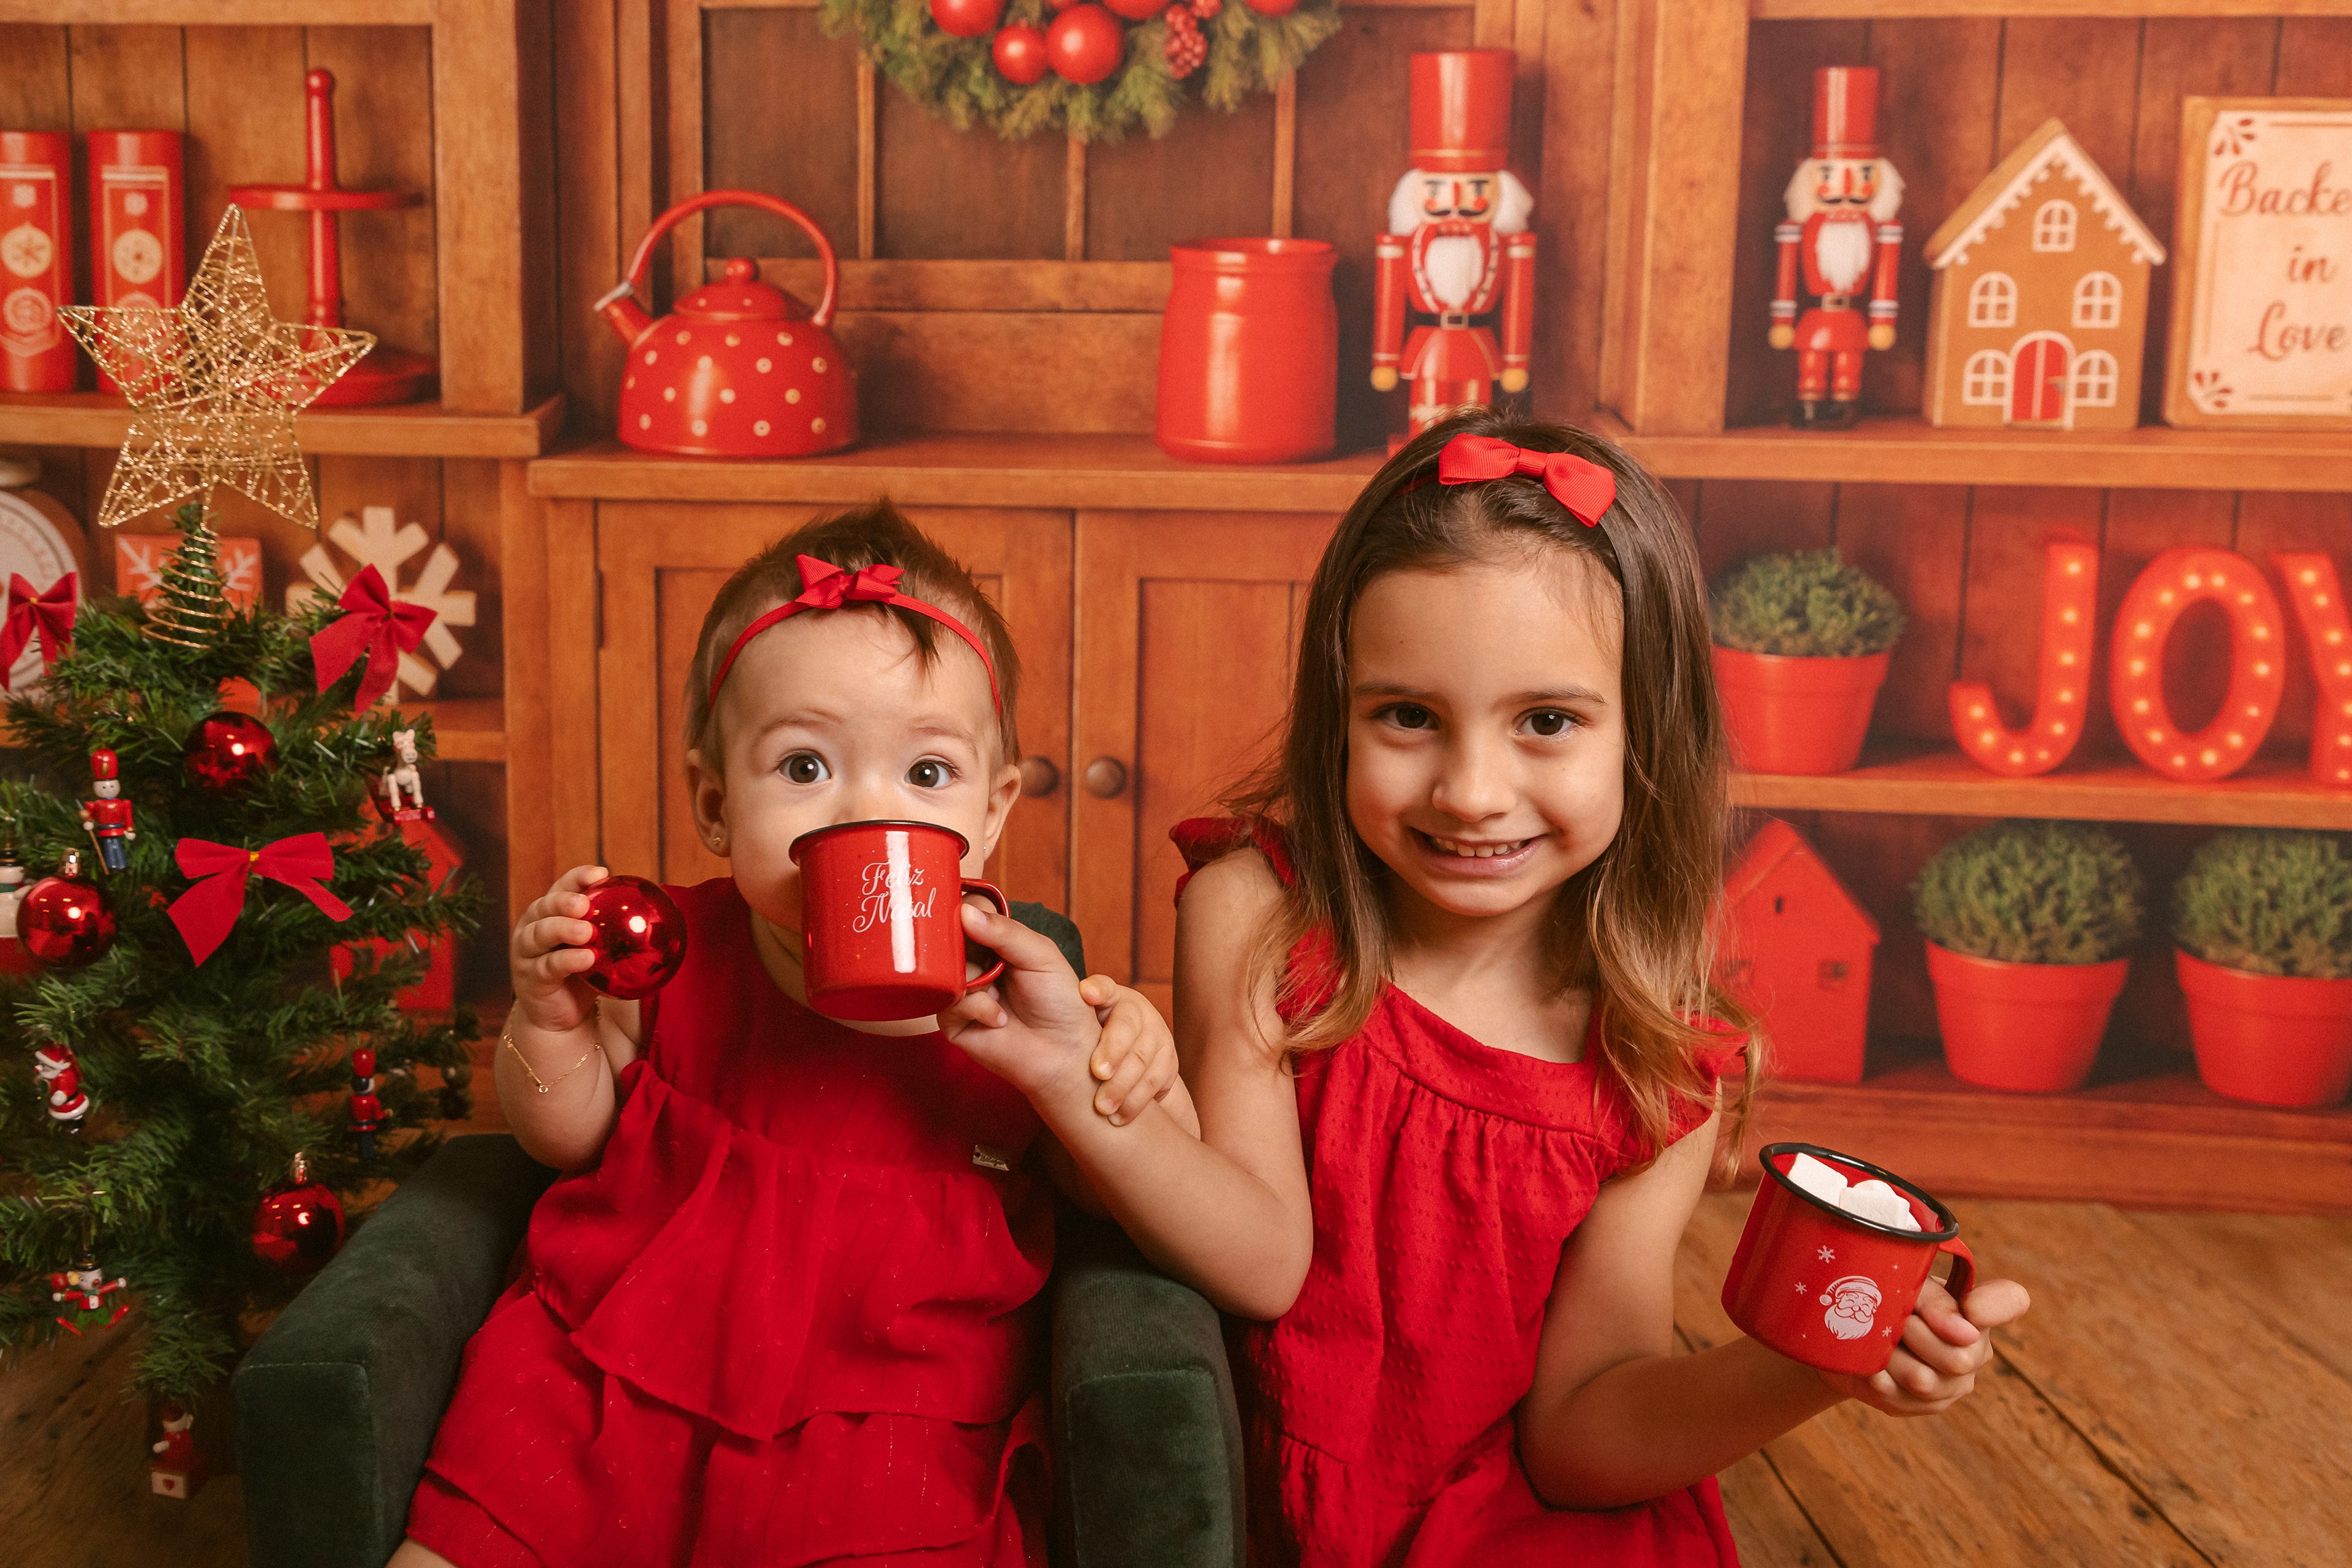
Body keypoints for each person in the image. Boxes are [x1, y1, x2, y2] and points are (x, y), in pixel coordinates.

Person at [966, 409, 2032, 1565]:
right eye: (1410, 717)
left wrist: (1810, 1368)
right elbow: (1264, 1261)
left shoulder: (1656, 1062)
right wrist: (1070, 1078)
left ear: (1645, 739)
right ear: (1340, 716)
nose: (1472, 791)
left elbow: (1581, 1435)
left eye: (1546, 722)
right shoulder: (1261, 914)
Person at [393, 504, 1188, 1568]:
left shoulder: (1023, 1003)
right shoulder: (667, 950)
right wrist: (551, 1017)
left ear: (993, 814)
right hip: (610, 1386)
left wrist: (1134, 1063)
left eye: (928, 775)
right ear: (715, 806)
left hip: (889, 1431)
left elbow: (1132, 1190)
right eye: (805, 769)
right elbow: (565, 1140)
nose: (864, 811)